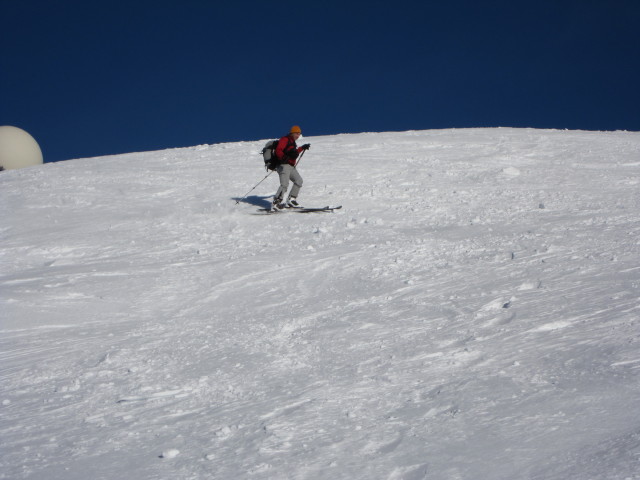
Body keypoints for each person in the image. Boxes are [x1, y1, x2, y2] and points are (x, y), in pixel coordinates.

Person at [272, 126, 310, 210]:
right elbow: (278, 150)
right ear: (292, 133)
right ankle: (276, 203)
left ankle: (291, 200)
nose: (298, 135)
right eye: (297, 133)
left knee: (298, 180)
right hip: (283, 165)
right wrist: (283, 158)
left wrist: (302, 148)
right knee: (284, 184)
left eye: (299, 134)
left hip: (291, 166)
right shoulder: (285, 139)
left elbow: (294, 153)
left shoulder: (292, 142)